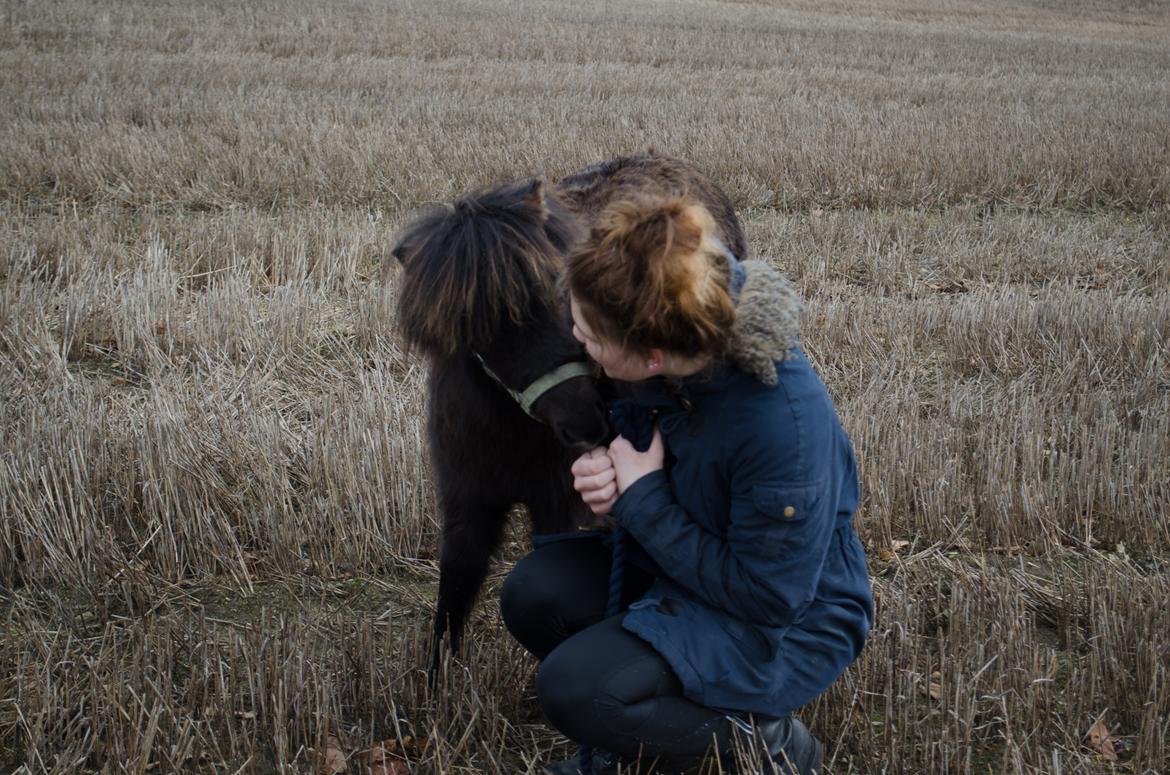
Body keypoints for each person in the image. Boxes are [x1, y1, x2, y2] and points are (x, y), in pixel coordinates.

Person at [499, 194, 873, 774]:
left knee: (576, 690)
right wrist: (610, 477)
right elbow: (652, 440)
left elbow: (768, 597)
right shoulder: (676, 318)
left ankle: (764, 739)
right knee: (533, 594)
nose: (577, 337)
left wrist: (643, 499)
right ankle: (654, 726)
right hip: (686, 564)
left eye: (592, 337)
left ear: (651, 355)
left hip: (786, 620)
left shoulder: (783, 432)